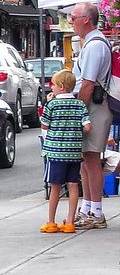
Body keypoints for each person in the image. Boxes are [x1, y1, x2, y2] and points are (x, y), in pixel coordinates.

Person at [70, 2, 112, 230]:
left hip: (94, 106)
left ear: (87, 19)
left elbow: (87, 84)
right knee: (86, 159)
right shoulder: (93, 43)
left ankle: (96, 211)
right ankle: (87, 208)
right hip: (93, 106)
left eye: (74, 17)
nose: (71, 22)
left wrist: (79, 112)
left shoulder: (94, 46)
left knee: (92, 159)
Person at [40, 69, 90, 234]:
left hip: (56, 152)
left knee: (55, 186)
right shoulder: (79, 104)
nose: (51, 87)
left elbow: (44, 125)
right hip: (74, 152)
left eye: (53, 85)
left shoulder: (52, 104)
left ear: (61, 86)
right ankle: (69, 222)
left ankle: (51, 221)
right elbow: (87, 126)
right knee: (73, 184)